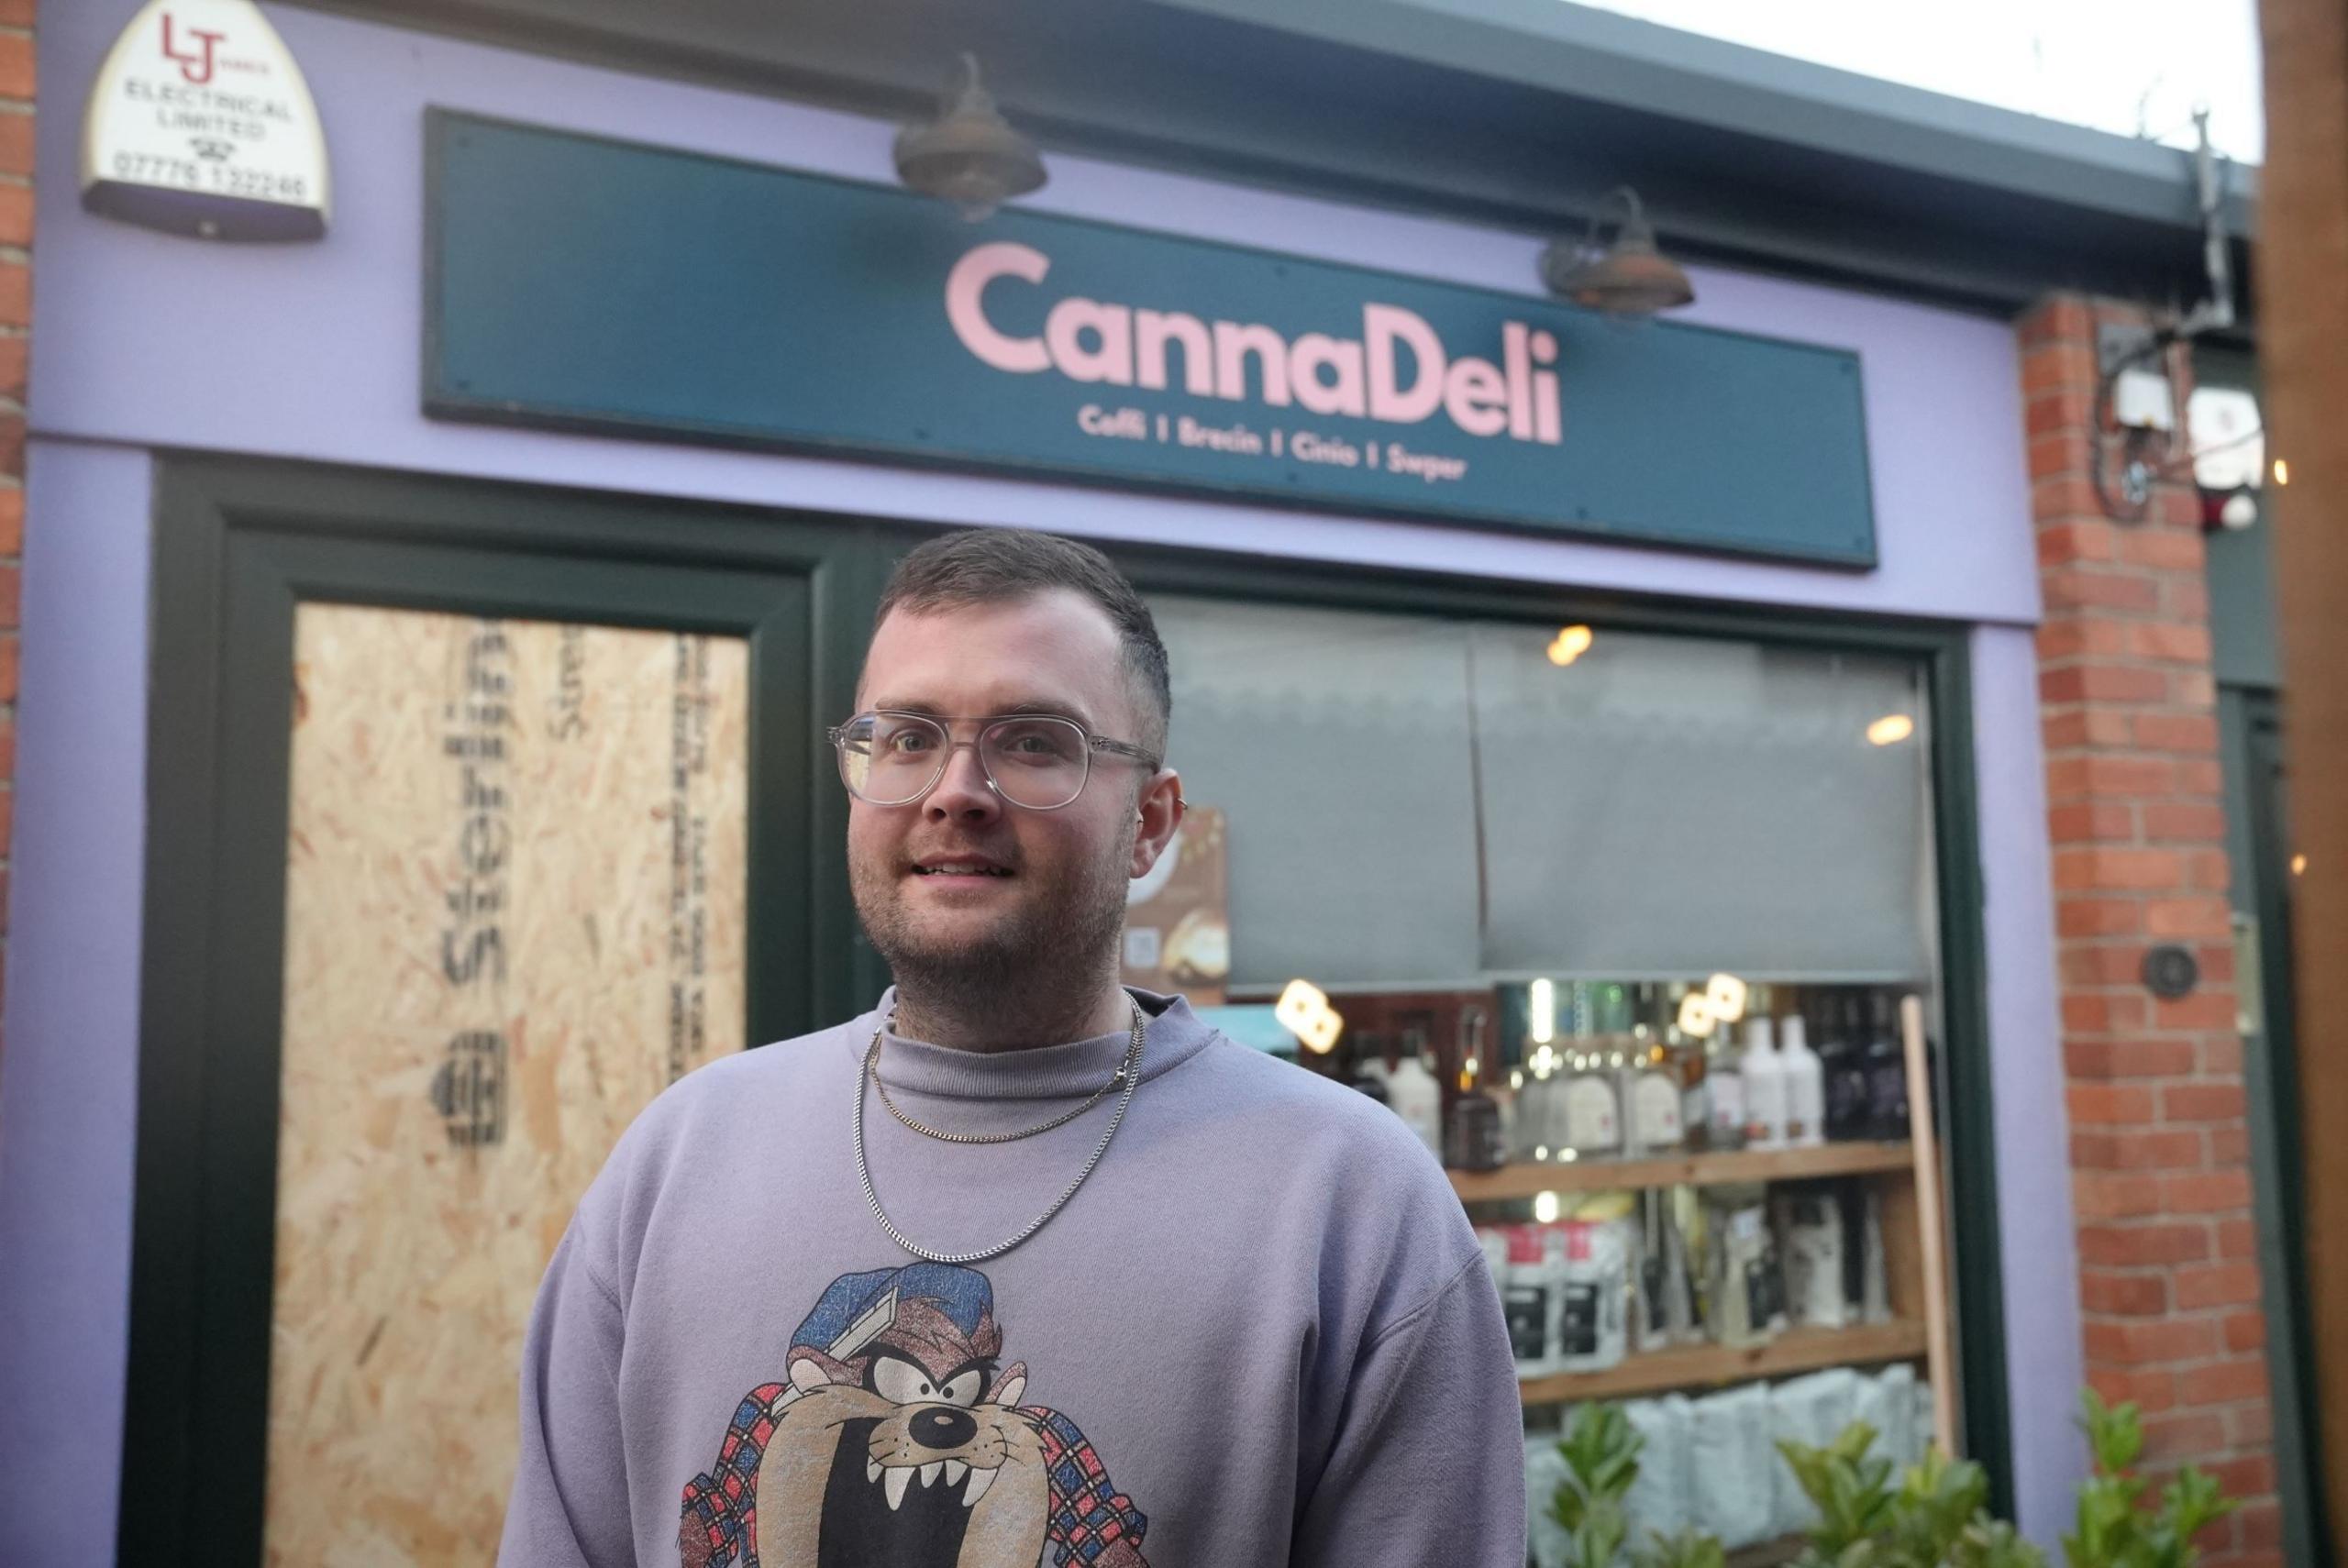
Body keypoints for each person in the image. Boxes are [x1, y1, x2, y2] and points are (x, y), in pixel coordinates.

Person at [497, 528, 1527, 1567]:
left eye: (1034, 741)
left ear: (1150, 824)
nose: (955, 789)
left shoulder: (1351, 1206)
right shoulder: (677, 1164)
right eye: (905, 737)